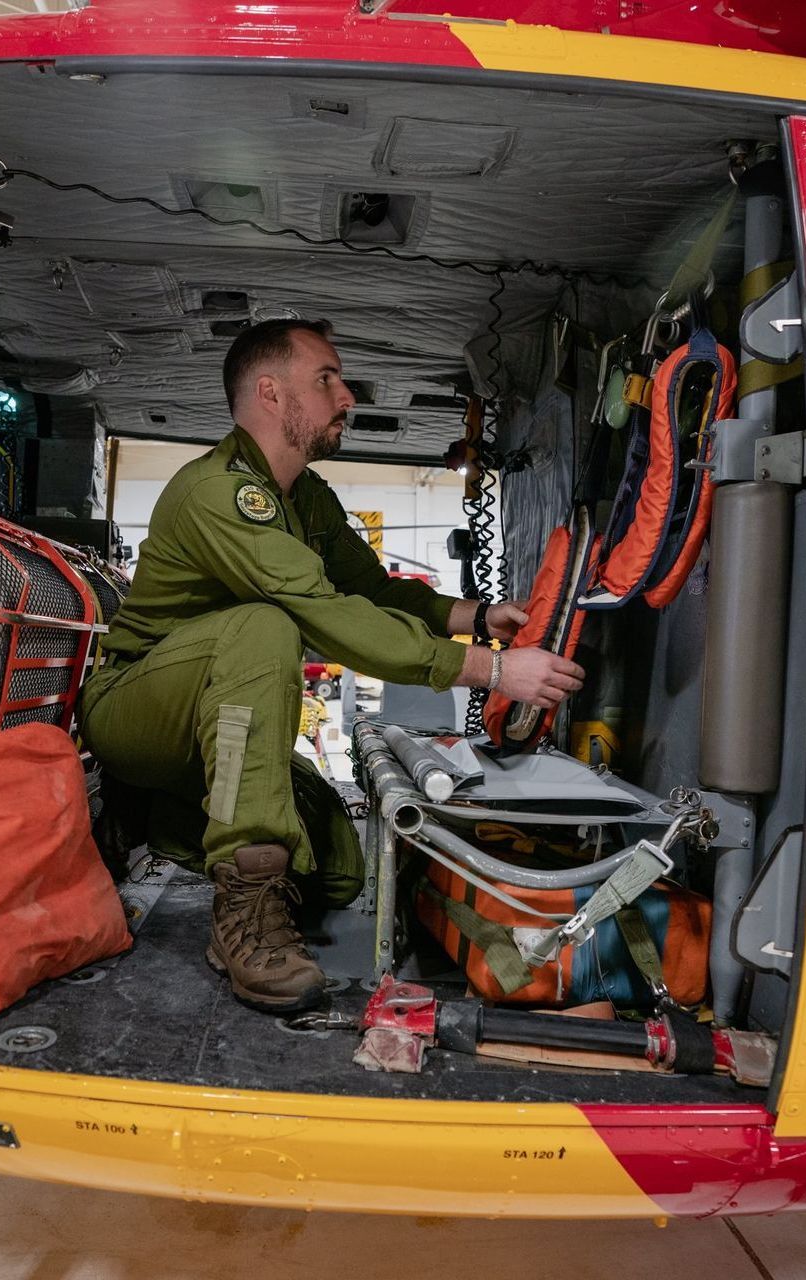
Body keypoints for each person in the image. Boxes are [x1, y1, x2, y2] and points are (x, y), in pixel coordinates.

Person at [79, 319, 584, 1012]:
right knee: (266, 624)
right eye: (325, 379)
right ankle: (243, 913)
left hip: (202, 726)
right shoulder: (219, 493)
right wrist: (490, 672)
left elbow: (369, 591)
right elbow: (322, 611)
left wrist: (476, 617)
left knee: (334, 874)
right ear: (269, 393)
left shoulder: (306, 498)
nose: (346, 396)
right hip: (135, 712)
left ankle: (168, 820)